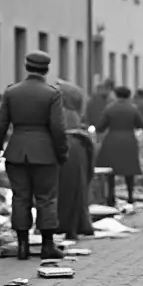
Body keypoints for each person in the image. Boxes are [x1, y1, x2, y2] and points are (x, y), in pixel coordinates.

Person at [0, 51, 68, 260]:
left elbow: (1, 123)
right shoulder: (52, 93)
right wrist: (62, 152)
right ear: (47, 69)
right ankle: (47, 245)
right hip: (45, 152)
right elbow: (58, 128)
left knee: (20, 197)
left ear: (26, 67)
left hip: (17, 150)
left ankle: (23, 246)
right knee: (46, 198)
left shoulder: (11, 92)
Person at [56, 80, 95, 241]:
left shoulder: (60, 112)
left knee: (61, 191)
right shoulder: (75, 113)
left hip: (62, 149)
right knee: (77, 190)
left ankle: (59, 225)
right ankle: (74, 227)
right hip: (78, 150)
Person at [96, 86, 143, 204]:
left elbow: (101, 126)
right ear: (128, 96)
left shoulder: (109, 108)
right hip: (129, 139)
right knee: (129, 169)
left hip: (112, 139)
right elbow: (140, 124)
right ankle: (130, 195)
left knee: (110, 170)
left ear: (115, 95)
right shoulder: (133, 109)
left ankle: (111, 196)